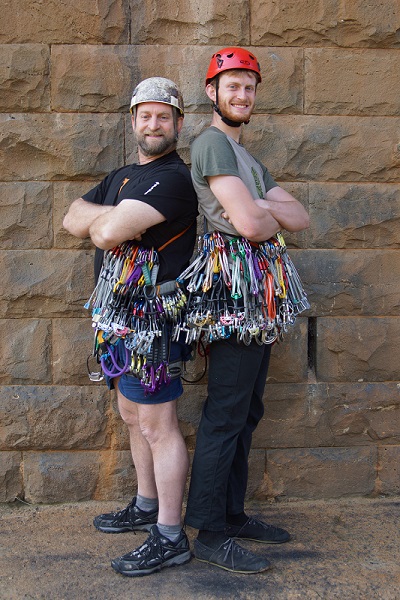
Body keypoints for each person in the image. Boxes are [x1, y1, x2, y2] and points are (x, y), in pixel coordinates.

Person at [63, 77, 198, 577]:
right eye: (145, 115)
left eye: (164, 116)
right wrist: (110, 219)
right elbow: (72, 219)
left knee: (159, 425)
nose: (153, 124)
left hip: (154, 321)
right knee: (130, 414)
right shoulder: (122, 176)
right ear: (134, 121)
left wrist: (107, 223)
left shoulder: (176, 179)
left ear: (178, 124)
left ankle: (169, 535)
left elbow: (106, 234)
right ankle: (145, 504)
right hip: (116, 319)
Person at [184, 47, 310, 574]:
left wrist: (261, 210)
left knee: (248, 409)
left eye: (249, 86)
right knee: (227, 410)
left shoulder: (248, 157)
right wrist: (262, 212)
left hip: (258, 292)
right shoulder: (212, 144)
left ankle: (233, 514)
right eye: (231, 85)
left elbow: (298, 215)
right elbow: (255, 226)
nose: (242, 94)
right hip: (231, 291)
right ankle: (211, 532)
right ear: (212, 92)